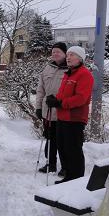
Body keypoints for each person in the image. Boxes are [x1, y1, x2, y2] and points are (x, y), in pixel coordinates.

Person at [46, 46, 94, 184]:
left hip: (75, 119)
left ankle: (76, 180)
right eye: (67, 55)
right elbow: (63, 95)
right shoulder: (68, 74)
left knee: (73, 151)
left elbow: (82, 98)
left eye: (72, 55)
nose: (68, 57)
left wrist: (60, 103)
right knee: (63, 148)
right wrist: (54, 99)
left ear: (80, 58)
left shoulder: (84, 74)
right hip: (62, 117)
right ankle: (69, 178)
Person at [35, 42, 68, 175]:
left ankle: (66, 166)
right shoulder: (47, 68)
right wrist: (38, 107)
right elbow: (40, 89)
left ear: (65, 53)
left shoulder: (69, 69)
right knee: (50, 138)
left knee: (63, 141)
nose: (55, 54)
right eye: (53, 51)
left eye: (58, 52)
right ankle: (51, 163)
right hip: (47, 110)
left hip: (62, 111)